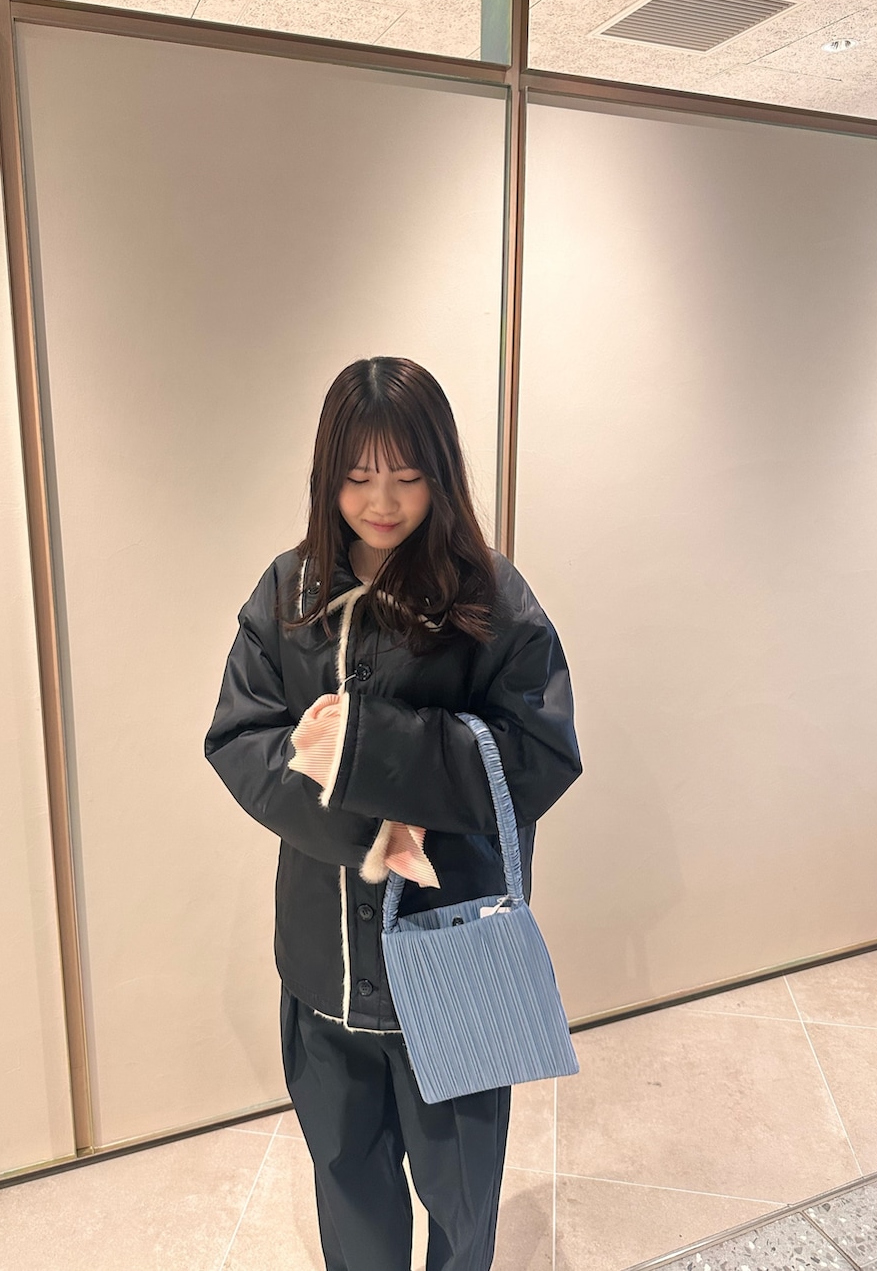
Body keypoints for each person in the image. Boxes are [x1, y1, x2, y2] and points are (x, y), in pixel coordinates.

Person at [204, 356, 581, 1271]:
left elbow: (541, 751)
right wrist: (370, 828)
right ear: (326, 473)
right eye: (358, 476)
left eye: (407, 476)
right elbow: (240, 736)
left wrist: (372, 745)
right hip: (325, 961)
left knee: (463, 1200)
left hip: (458, 953)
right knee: (350, 1192)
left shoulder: (488, 594)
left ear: (440, 472)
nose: (381, 501)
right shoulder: (288, 591)